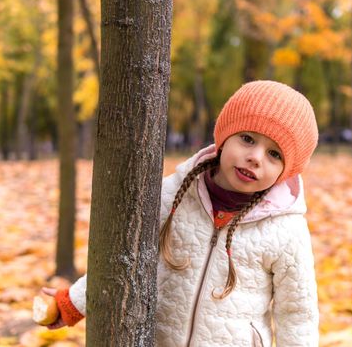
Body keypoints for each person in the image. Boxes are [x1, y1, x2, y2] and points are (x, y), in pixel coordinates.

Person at [40, 80, 320, 346]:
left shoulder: (286, 230)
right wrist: (73, 303)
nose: (256, 157)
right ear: (224, 137)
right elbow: (126, 256)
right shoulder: (174, 194)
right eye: (247, 139)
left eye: (274, 154)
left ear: (286, 171)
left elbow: (298, 313)